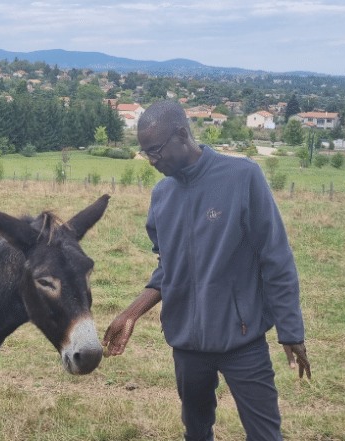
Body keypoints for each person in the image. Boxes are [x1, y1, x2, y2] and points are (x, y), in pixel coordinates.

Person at [102, 100, 311, 441]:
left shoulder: (243, 177)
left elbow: (276, 258)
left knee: (265, 434)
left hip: (242, 339)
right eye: (145, 153)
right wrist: (132, 313)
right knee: (196, 432)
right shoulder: (162, 195)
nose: (151, 160)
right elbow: (168, 268)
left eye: (155, 150)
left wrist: (291, 332)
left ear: (182, 135)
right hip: (187, 345)